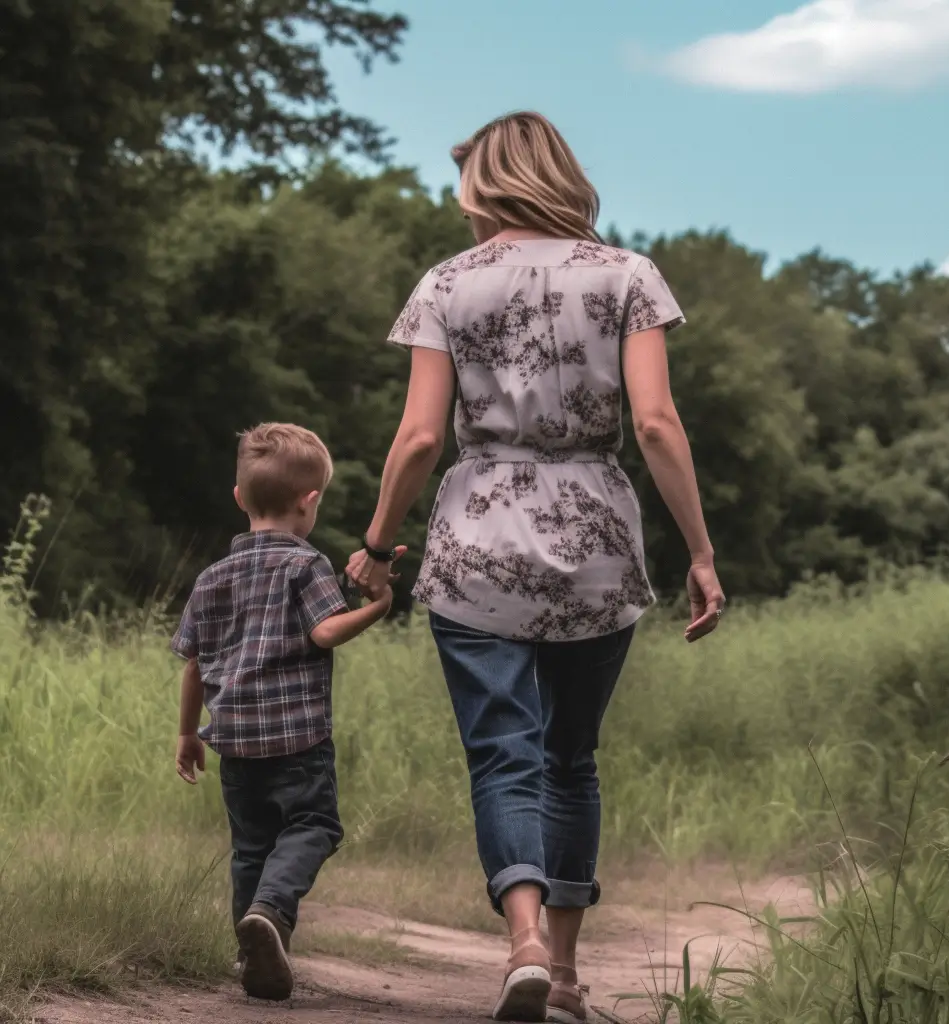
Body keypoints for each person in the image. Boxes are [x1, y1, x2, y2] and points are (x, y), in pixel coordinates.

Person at [345, 111, 725, 1023]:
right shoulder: (627, 275)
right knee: (570, 759)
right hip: (595, 541)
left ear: (487, 183)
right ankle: (560, 971)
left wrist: (376, 542)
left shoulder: (447, 284)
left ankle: (516, 939)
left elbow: (422, 436)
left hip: (477, 540)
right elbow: (658, 425)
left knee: (501, 755)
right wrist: (702, 552)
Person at [171, 423, 399, 1003]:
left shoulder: (210, 578)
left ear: (240, 497)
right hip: (297, 739)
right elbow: (324, 631)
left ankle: (254, 946)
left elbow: (194, 664)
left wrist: (186, 734)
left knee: (251, 847)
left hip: (234, 741)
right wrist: (379, 606)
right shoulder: (305, 565)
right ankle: (270, 915)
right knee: (314, 825)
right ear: (310, 501)